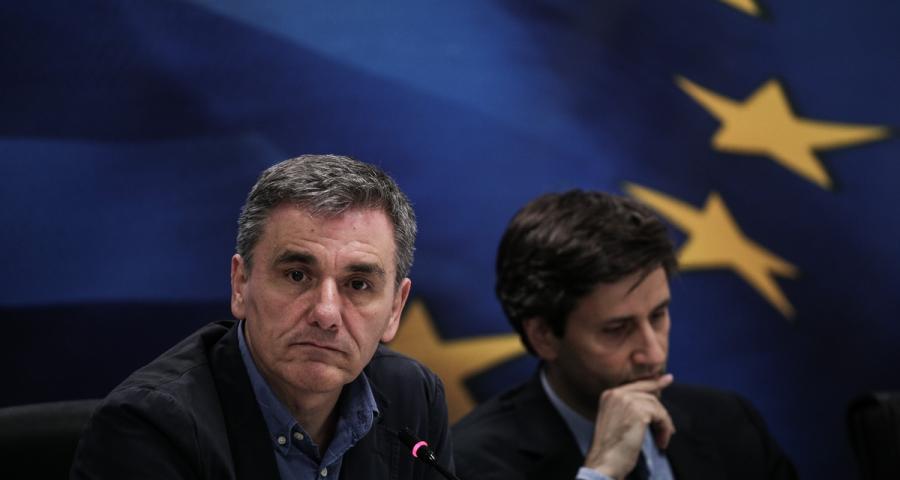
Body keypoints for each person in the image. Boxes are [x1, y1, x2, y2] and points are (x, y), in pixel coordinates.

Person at [72, 155, 453, 479]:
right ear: (241, 283)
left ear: (395, 308)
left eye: (358, 284)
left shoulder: (412, 396)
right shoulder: (149, 427)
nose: (326, 313)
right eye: (297, 275)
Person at [452, 190, 797, 480]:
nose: (653, 353)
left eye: (658, 316)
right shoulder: (466, 463)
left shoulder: (729, 422)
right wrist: (601, 472)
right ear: (544, 336)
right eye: (617, 330)